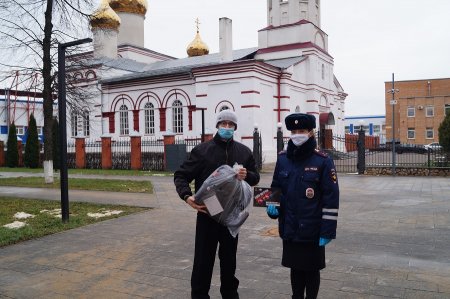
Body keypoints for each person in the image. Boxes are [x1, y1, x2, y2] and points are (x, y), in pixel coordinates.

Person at [174, 109, 260, 299]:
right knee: (203, 261)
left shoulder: (244, 152)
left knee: (229, 261)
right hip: (207, 213)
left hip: (232, 217)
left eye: (230, 125)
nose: (227, 128)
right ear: (218, 126)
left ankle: (230, 294)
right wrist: (187, 196)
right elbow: (181, 175)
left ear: (235, 127)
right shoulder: (202, 151)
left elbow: (255, 177)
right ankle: (199, 295)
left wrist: (248, 175)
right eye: (223, 124)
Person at [266, 113, 339, 299]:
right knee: (295, 268)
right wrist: (272, 205)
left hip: (313, 228)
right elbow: (276, 186)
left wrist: (327, 231)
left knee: (311, 270)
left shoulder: (322, 161)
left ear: (311, 133)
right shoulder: (283, 159)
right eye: (294, 131)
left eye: (302, 131)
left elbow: (331, 197)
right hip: (290, 225)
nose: (298, 134)